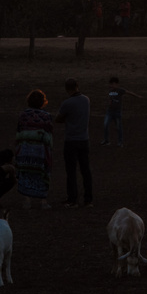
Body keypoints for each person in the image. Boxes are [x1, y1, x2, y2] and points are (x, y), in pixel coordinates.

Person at [53, 78, 93, 208]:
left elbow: (58, 119)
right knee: (85, 170)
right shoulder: (86, 100)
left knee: (71, 171)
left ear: (67, 89)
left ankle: (72, 199)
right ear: (77, 86)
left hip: (71, 140)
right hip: (84, 139)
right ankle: (88, 199)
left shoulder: (67, 103)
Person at [14, 90, 55, 210]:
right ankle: (43, 201)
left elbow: (19, 133)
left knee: (26, 173)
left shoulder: (23, 115)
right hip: (40, 151)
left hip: (25, 150)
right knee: (42, 173)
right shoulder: (46, 116)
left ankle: (27, 201)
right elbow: (48, 135)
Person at [101, 76, 142, 147]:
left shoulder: (120, 90)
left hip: (117, 112)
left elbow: (129, 92)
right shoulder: (110, 91)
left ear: (117, 84)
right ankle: (106, 140)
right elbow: (110, 99)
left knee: (119, 127)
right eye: (111, 84)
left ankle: (120, 142)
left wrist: (137, 96)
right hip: (110, 111)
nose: (111, 86)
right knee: (106, 125)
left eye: (113, 84)